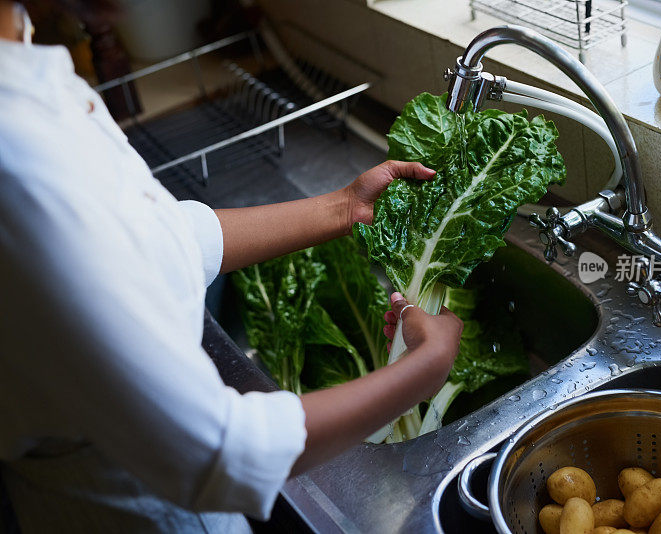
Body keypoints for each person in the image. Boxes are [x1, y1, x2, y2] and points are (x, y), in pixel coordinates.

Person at [0, 1, 463, 532]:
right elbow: (218, 453)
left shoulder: (25, 61)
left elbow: (159, 238)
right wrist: (424, 368)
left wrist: (344, 207)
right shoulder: (19, 158)